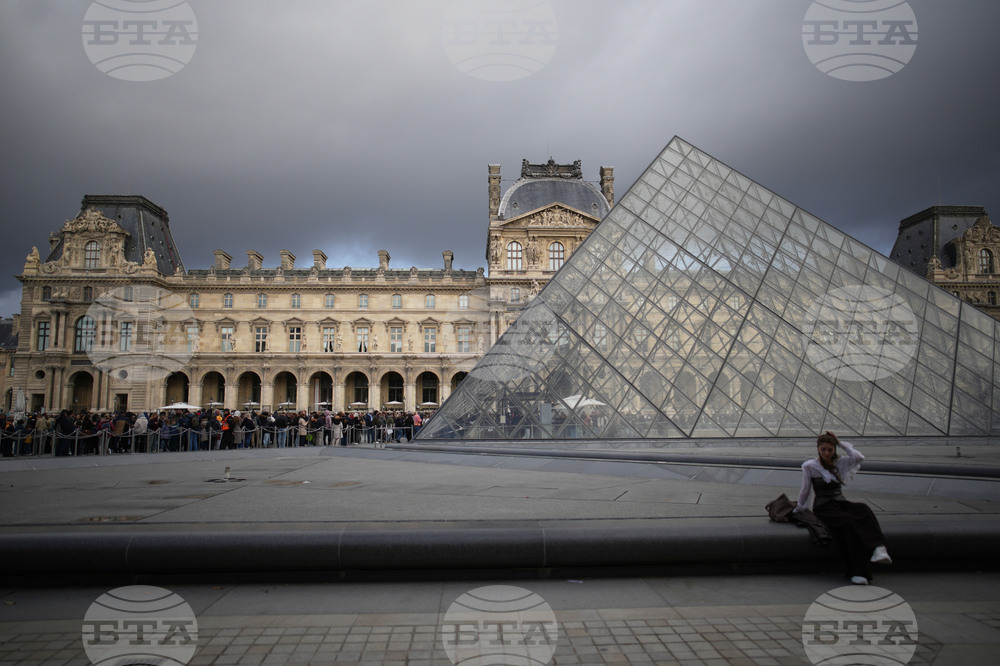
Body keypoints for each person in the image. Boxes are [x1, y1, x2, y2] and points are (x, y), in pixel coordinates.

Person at [794, 431, 892, 585]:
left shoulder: (840, 463)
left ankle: (878, 548)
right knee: (848, 523)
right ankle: (858, 572)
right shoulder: (810, 466)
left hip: (840, 503)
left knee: (863, 509)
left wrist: (839, 442)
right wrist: (800, 508)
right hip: (824, 508)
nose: (826, 453)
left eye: (830, 450)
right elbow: (805, 490)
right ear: (818, 449)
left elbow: (859, 457)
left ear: (834, 450)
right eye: (823, 449)